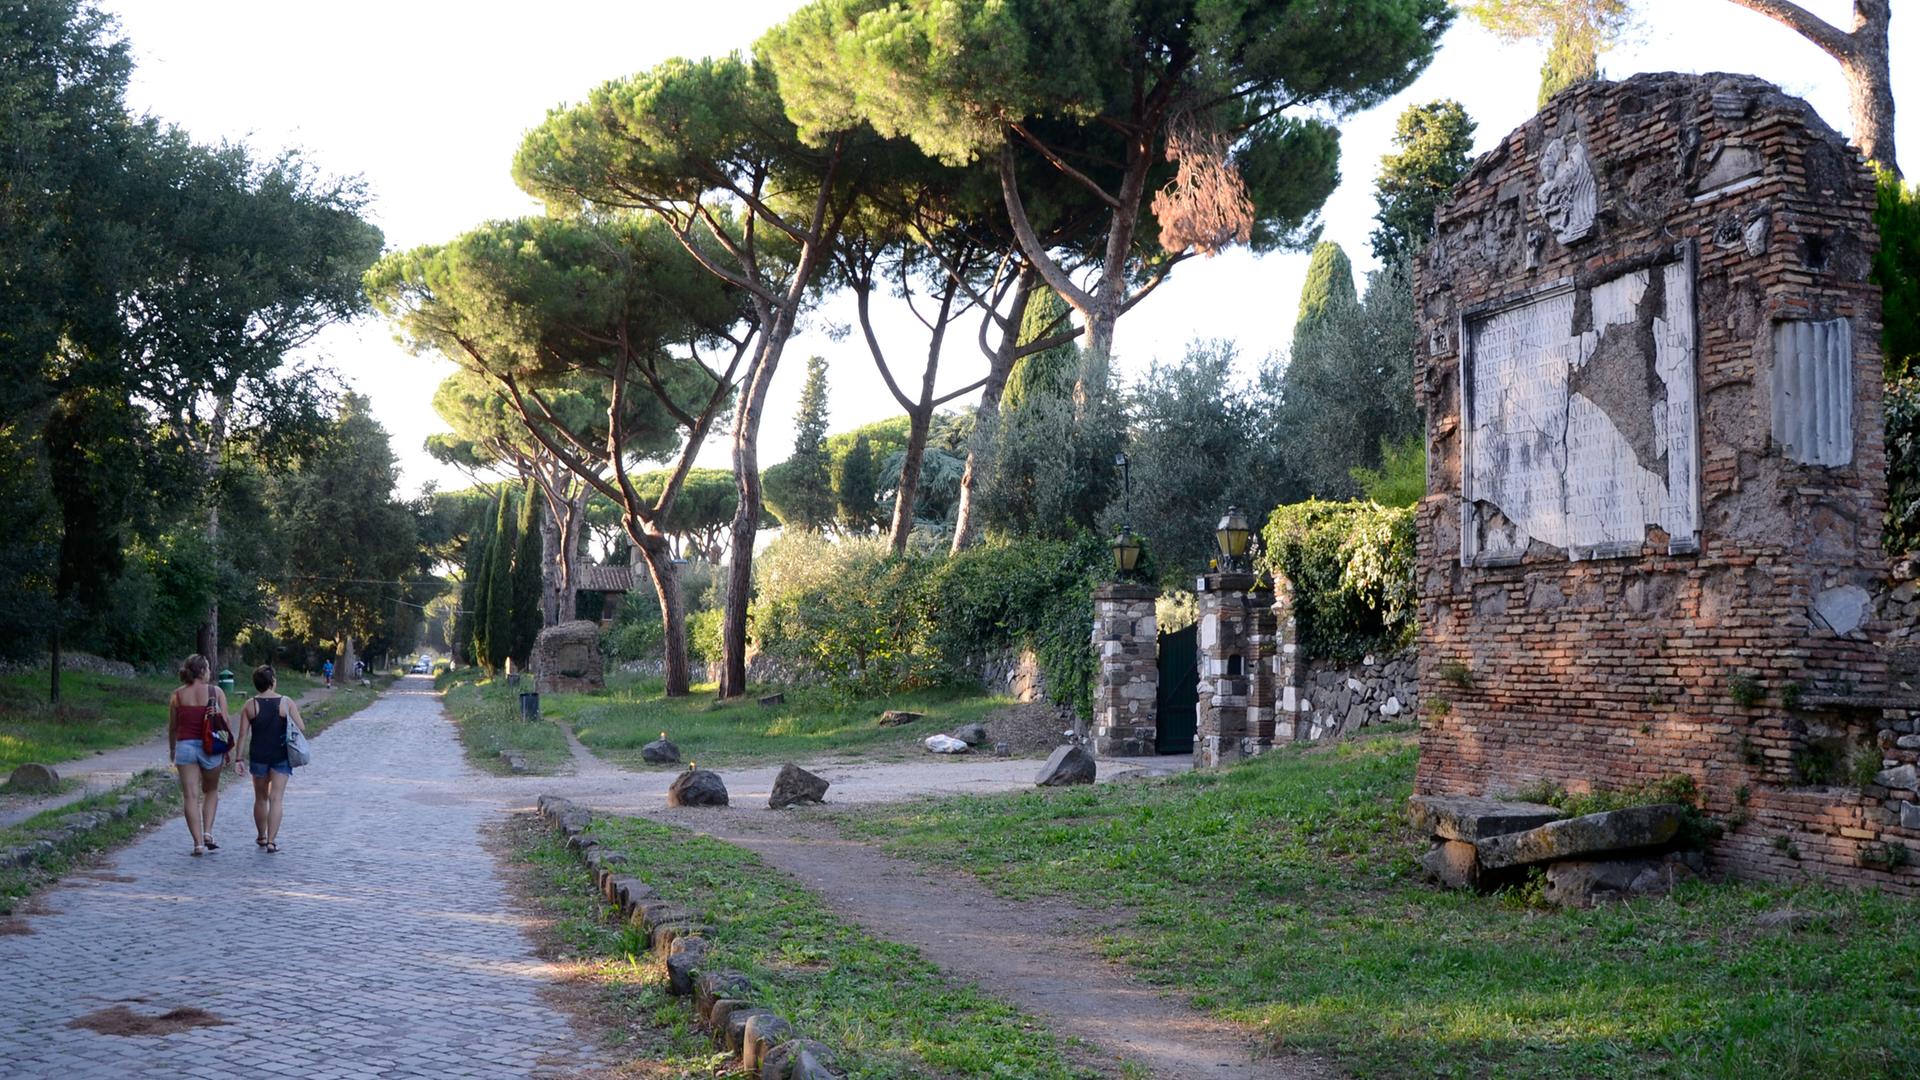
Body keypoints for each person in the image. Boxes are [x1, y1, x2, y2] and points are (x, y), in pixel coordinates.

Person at [235, 664, 305, 854]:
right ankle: (272, 841)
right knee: (276, 798)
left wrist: (238, 759)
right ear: (273, 681)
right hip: (280, 755)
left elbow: (242, 735)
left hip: (258, 756)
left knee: (260, 798)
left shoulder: (250, 705)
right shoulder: (286, 702)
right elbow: (301, 727)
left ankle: (261, 835)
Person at [167, 654, 230, 857]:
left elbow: (173, 727)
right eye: (208, 668)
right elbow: (225, 723)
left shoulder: (177, 695)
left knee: (190, 796)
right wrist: (228, 750)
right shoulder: (216, 691)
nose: (210, 671)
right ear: (202, 671)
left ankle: (197, 843)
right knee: (211, 790)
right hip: (210, 746)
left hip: (185, 747)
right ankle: (208, 832)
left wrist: (172, 750)